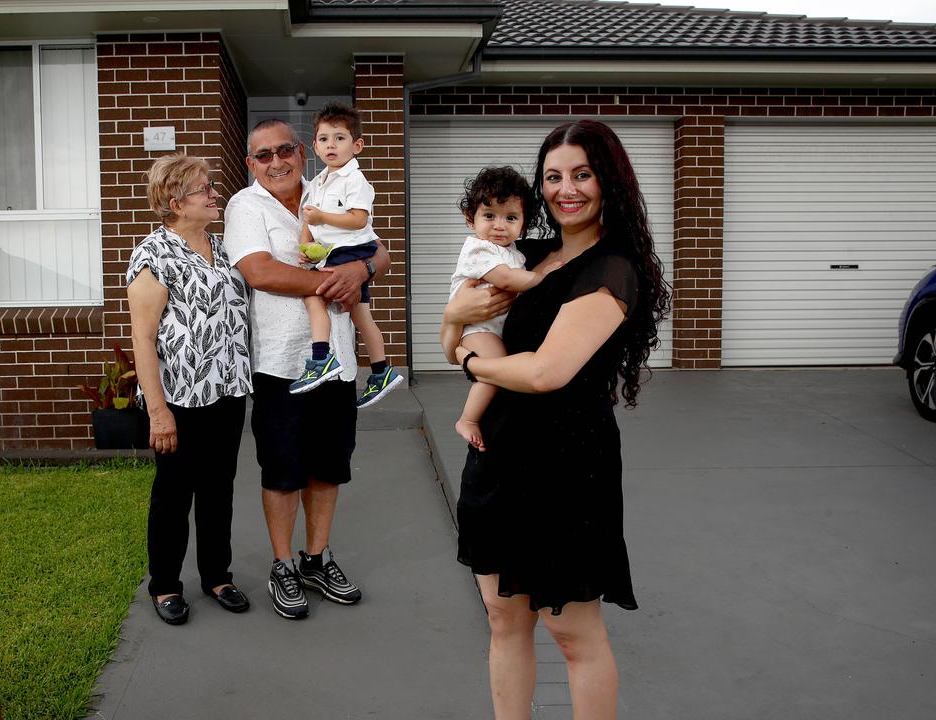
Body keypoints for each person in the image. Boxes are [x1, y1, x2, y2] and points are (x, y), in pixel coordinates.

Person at [440, 120, 669, 719]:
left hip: (566, 466)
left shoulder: (611, 269)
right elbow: (458, 328)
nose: (567, 189)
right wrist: (451, 325)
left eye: (582, 174)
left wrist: (463, 354)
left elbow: (545, 373)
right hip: (497, 452)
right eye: (553, 177)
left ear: (608, 181)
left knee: (574, 636)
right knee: (502, 618)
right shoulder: (528, 253)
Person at [223, 119, 392, 620]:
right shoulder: (246, 205)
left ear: (301, 152)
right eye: (263, 155)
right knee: (282, 470)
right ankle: (282, 565)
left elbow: (378, 250)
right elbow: (259, 271)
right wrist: (330, 280)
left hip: (336, 362)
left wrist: (359, 270)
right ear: (250, 163)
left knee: (328, 465)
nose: (276, 162)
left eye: (284, 151)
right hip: (281, 362)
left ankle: (316, 559)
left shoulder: (330, 188)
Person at [126, 154, 254, 625]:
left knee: (219, 488)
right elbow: (143, 338)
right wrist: (158, 413)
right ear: (176, 201)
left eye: (211, 186)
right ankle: (164, 585)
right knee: (174, 493)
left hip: (226, 391)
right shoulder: (153, 254)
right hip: (179, 399)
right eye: (205, 189)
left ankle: (217, 576)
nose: (214, 193)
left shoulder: (222, 249)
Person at [290, 102, 402, 408]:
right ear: (314, 146)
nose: (331, 145)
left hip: (352, 250)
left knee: (314, 296)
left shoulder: (355, 180)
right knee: (361, 313)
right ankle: (381, 370)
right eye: (324, 139)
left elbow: (358, 220)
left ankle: (321, 358)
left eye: (339, 138)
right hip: (333, 252)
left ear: (357, 145)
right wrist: (305, 249)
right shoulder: (317, 183)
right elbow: (308, 222)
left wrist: (323, 218)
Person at [446, 166, 557, 452]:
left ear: (524, 224)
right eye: (489, 215)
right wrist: (542, 276)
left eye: (510, 217)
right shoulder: (478, 248)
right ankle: (468, 419)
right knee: (496, 364)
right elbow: (506, 279)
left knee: (498, 364)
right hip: (477, 327)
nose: (499, 225)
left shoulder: (516, 252)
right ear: (470, 219)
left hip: (488, 325)